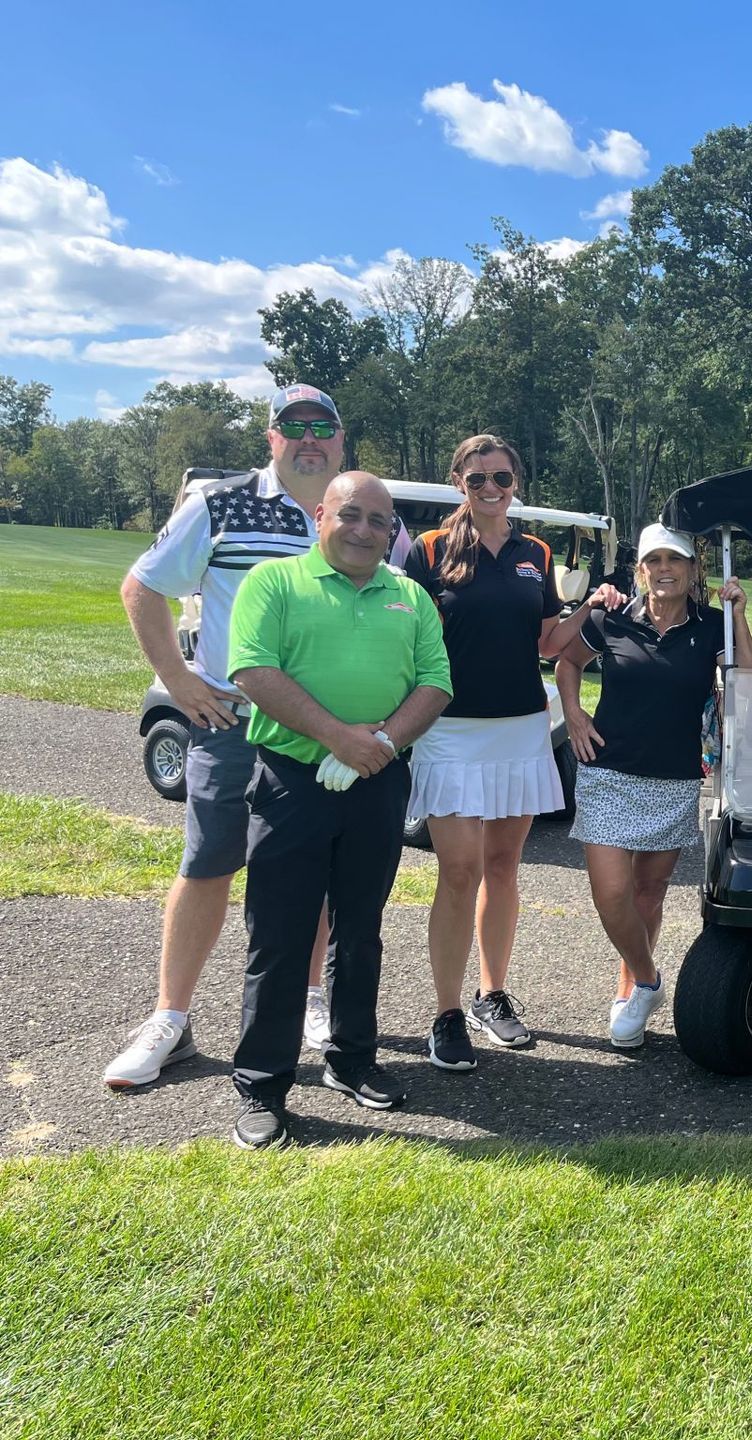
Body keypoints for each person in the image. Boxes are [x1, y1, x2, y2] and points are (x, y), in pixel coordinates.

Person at [104, 384, 359, 1090]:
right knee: (208, 865)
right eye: (293, 426)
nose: (309, 438)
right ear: (270, 438)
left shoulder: (358, 516)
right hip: (234, 726)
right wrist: (179, 680)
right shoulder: (220, 504)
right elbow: (143, 585)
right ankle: (171, 1020)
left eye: (322, 426)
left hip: (323, 735)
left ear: (340, 439)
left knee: (313, 873)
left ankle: (310, 1001)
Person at [224, 473, 452, 1149]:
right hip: (293, 778)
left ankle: (351, 1060)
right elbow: (252, 669)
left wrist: (377, 743)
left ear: (392, 533)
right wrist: (338, 737)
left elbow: (436, 681)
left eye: (378, 521)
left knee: (360, 931)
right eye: (349, 515)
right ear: (320, 515)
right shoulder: (275, 583)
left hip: (378, 780)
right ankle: (263, 1084)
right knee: (282, 934)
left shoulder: (409, 595)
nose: (363, 529)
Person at [403, 434, 617, 1070]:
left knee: (502, 867)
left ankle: (491, 996)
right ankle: (445, 1015)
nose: (491, 490)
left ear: (516, 482)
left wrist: (588, 609)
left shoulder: (536, 552)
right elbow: (409, 633)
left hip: (521, 726)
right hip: (450, 730)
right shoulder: (430, 551)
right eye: (477, 480)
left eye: (502, 478)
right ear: (459, 484)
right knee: (459, 870)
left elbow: (549, 642)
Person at [556, 523, 752, 1048]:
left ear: (693, 571)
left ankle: (630, 992)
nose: (664, 569)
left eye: (676, 560)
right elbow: (567, 662)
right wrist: (575, 715)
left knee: (648, 893)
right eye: (654, 561)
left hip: (672, 777)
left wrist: (738, 617)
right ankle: (649, 977)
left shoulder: (712, 626)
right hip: (606, 771)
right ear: (641, 570)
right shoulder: (610, 617)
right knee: (611, 893)